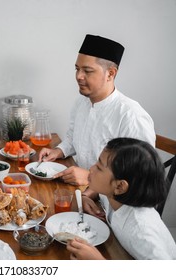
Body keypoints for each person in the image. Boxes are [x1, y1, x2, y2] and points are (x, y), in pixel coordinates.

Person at [38, 34, 155, 189]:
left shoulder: (131, 116)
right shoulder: (81, 103)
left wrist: (89, 177)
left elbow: (141, 177)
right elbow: (74, 137)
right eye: (77, 69)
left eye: (87, 70)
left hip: (112, 204)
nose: (78, 76)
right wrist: (60, 150)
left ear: (111, 74)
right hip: (79, 189)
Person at [66, 138, 176, 260]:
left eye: (99, 167)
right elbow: (97, 192)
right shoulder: (113, 195)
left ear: (119, 186)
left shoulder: (141, 232)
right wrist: (84, 196)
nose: (91, 168)